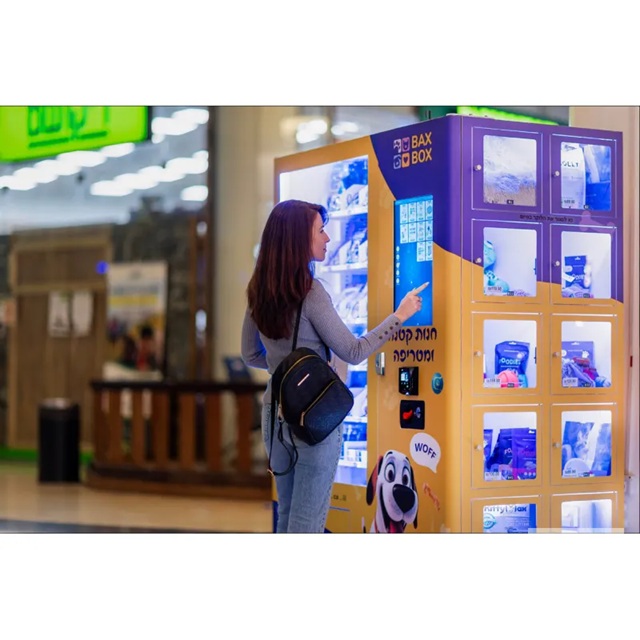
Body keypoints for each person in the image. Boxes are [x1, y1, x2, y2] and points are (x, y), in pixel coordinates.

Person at [241, 199, 423, 533]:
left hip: (273, 415)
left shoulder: (258, 291)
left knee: (287, 514)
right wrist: (400, 316)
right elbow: (353, 351)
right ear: (299, 239)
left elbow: (250, 354)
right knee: (308, 523)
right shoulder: (310, 292)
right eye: (321, 230)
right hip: (314, 416)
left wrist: (284, 369)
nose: (328, 238)